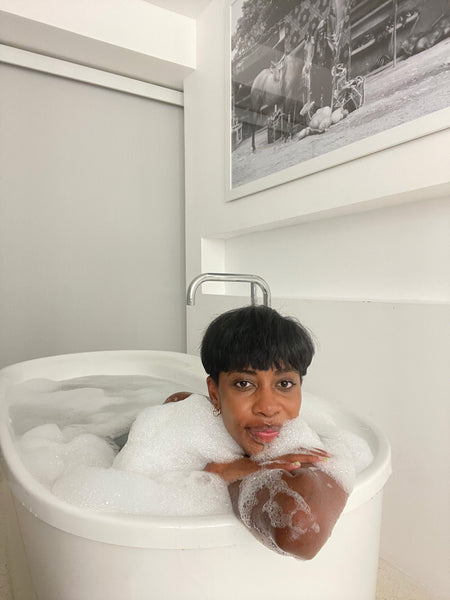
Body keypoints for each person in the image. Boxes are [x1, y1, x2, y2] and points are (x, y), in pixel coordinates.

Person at [165, 305, 348, 560]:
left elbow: (301, 530)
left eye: (285, 384)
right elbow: (177, 399)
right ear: (214, 393)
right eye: (244, 384)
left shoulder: (304, 452)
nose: (268, 407)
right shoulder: (190, 423)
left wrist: (231, 474)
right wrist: (231, 470)